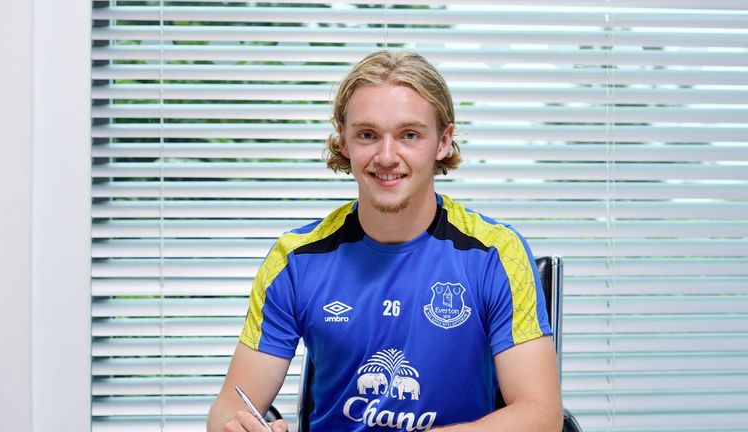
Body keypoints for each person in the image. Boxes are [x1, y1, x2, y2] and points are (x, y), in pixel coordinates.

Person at [207, 50, 563, 432]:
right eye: (367, 135)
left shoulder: (496, 254)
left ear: (443, 142)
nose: (387, 156)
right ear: (343, 141)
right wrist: (237, 427)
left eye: (409, 135)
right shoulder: (295, 260)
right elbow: (229, 406)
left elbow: (541, 415)